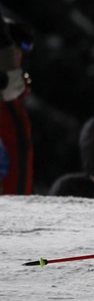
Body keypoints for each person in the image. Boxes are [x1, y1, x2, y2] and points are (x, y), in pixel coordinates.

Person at [0, 17, 34, 195]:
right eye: (12, 52)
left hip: (15, 205)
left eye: (20, 53)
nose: (16, 58)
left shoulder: (14, 102)